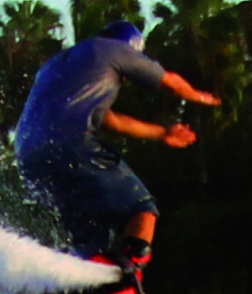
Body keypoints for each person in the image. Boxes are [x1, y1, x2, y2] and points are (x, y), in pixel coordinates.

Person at [15, 19, 220, 264]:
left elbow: (112, 121)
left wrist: (162, 133)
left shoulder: (57, 65)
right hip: (71, 145)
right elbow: (172, 83)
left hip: (29, 157)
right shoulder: (114, 49)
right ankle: (130, 271)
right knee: (141, 211)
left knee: (89, 232)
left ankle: (86, 286)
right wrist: (200, 97)